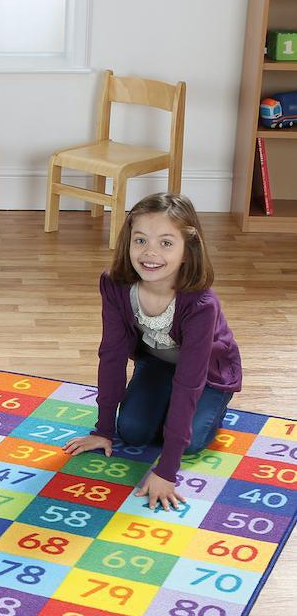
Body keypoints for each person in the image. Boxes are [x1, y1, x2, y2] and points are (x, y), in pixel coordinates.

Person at [63, 192, 242, 511]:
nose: (150, 253)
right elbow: (112, 356)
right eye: (140, 240)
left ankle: (213, 407)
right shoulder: (114, 285)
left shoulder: (201, 304)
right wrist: (103, 429)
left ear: (188, 250)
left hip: (207, 375)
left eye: (166, 243)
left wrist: (166, 470)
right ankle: (161, 407)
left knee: (192, 443)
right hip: (157, 364)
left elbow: (189, 384)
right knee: (130, 432)